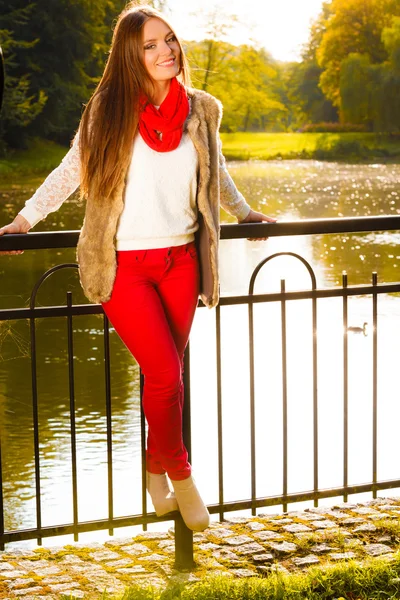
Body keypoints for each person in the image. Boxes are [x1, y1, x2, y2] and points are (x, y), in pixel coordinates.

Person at [0, 3, 276, 531]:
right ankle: (182, 474)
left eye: (169, 39)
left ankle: (154, 473)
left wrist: (244, 214)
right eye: (150, 45)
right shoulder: (108, 110)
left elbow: (215, 173)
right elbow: (70, 171)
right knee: (167, 374)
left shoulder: (201, 110)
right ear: (131, 55)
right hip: (124, 266)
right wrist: (24, 219)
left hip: (182, 262)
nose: (165, 51)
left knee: (163, 379)